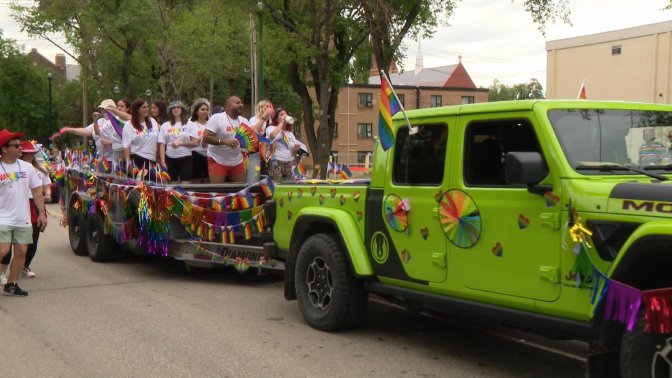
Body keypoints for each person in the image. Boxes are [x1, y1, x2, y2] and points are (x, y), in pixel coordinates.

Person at [0, 130, 47, 296]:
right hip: (2, 218)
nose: (21, 148)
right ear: (5, 149)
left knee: (21, 252)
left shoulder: (28, 168)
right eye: (16, 145)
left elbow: (36, 192)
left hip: (23, 218)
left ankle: (11, 284)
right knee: (3, 250)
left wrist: (41, 214)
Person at [202, 96, 247, 183]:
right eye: (237, 103)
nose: (241, 105)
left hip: (237, 161)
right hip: (217, 160)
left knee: (241, 190)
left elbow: (249, 139)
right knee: (218, 191)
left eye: (241, 103)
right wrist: (224, 142)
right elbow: (206, 137)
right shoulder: (217, 118)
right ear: (229, 106)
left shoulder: (244, 121)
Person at [158, 100, 198, 183]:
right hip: (170, 158)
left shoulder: (190, 124)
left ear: (182, 110)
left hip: (186, 157)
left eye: (178, 107)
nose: (176, 109)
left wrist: (181, 143)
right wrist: (162, 160)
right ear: (170, 111)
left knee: (186, 184)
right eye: (173, 108)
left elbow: (195, 143)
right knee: (171, 185)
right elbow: (162, 144)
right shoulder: (165, 125)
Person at [122, 98, 160, 171]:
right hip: (137, 159)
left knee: (151, 182)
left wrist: (159, 158)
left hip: (152, 160)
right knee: (140, 182)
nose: (147, 109)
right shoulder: (128, 125)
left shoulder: (152, 121)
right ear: (137, 109)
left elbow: (158, 140)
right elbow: (126, 145)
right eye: (144, 107)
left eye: (147, 107)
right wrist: (128, 162)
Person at [266, 107, 300, 181]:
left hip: (288, 163)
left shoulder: (290, 133)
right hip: (276, 161)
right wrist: (281, 123)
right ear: (276, 118)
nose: (284, 116)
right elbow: (273, 135)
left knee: (290, 185)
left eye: (286, 114)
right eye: (281, 114)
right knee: (276, 184)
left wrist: (295, 149)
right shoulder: (271, 128)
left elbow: (291, 151)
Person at [247, 99, 274, 184]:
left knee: (267, 181)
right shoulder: (254, 119)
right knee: (254, 179)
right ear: (261, 107)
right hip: (256, 153)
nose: (270, 108)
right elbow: (253, 132)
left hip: (268, 155)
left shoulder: (271, 122)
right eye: (267, 106)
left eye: (271, 106)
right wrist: (263, 117)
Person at [188, 99, 211, 183]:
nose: (205, 111)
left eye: (206, 109)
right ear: (196, 112)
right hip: (195, 154)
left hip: (209, 154)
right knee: (196, 179)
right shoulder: (190, 123)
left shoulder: (211, 123)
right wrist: (201, 138)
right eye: (202, 109)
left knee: (207, 179)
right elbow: (190, 140)